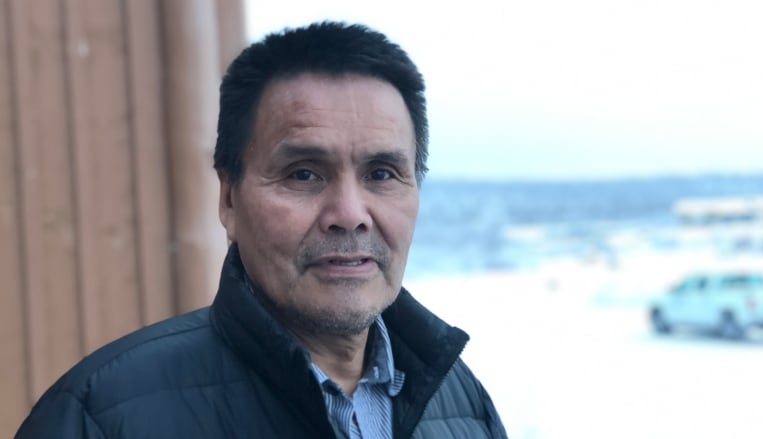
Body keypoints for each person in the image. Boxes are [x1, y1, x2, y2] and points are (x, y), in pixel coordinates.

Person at [16, 21, 507, 438]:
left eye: (381, 174)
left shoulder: (460, 403)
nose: (350, 213)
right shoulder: (99, 415)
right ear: (229, 199)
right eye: (304, 174)